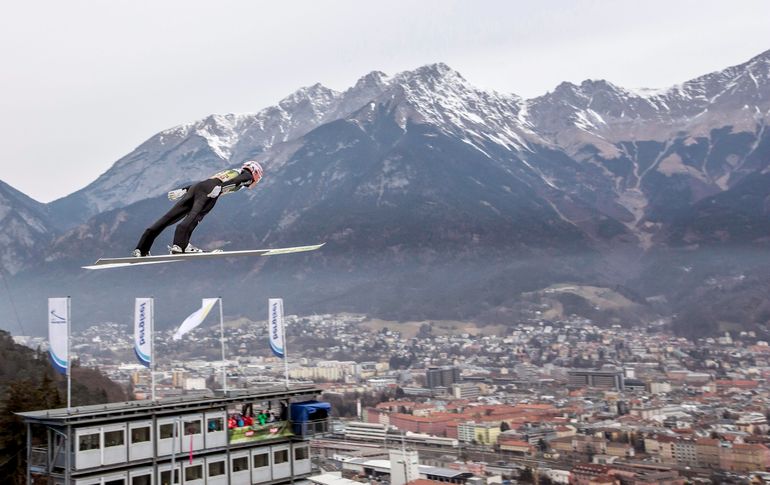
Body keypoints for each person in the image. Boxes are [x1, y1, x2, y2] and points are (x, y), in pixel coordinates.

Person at [133, 161, 263, 256]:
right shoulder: (247, 176)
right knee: (194, 217)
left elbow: (208, 182)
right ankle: (180, 245)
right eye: (258, 178)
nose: (256, 182)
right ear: (255, 172)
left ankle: (142, 248)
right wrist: (221, 188)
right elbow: (237, 181)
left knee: (168, 218)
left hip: (198, 187)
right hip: (212, 189)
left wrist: (185, 190)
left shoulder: (233, 171)